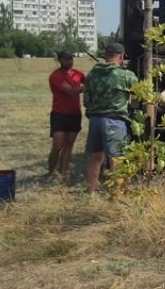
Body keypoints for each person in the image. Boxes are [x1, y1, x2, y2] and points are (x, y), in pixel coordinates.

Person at [83, 42, 138, 194]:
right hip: (114, 121)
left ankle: (89, 194)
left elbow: (86, 102)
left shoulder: (92, 74)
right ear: (121, 57)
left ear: (106, 56)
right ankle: (115, 196)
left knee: (96, 159)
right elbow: (141, 95)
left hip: (95, 121)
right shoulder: (126, 75)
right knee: (117, 160)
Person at [47, 49, 86, 180]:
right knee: (57, 146)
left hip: (75, 113)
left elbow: (88, 80)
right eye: (66, 59)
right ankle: (51, 171)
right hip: (59, 114)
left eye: (71, 58)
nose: (69, 61)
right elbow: (71, 91)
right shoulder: (55, 76)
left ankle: (62, 173)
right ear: (60, 60)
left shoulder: (77, 73)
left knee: (69, 144)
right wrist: (90, 86)